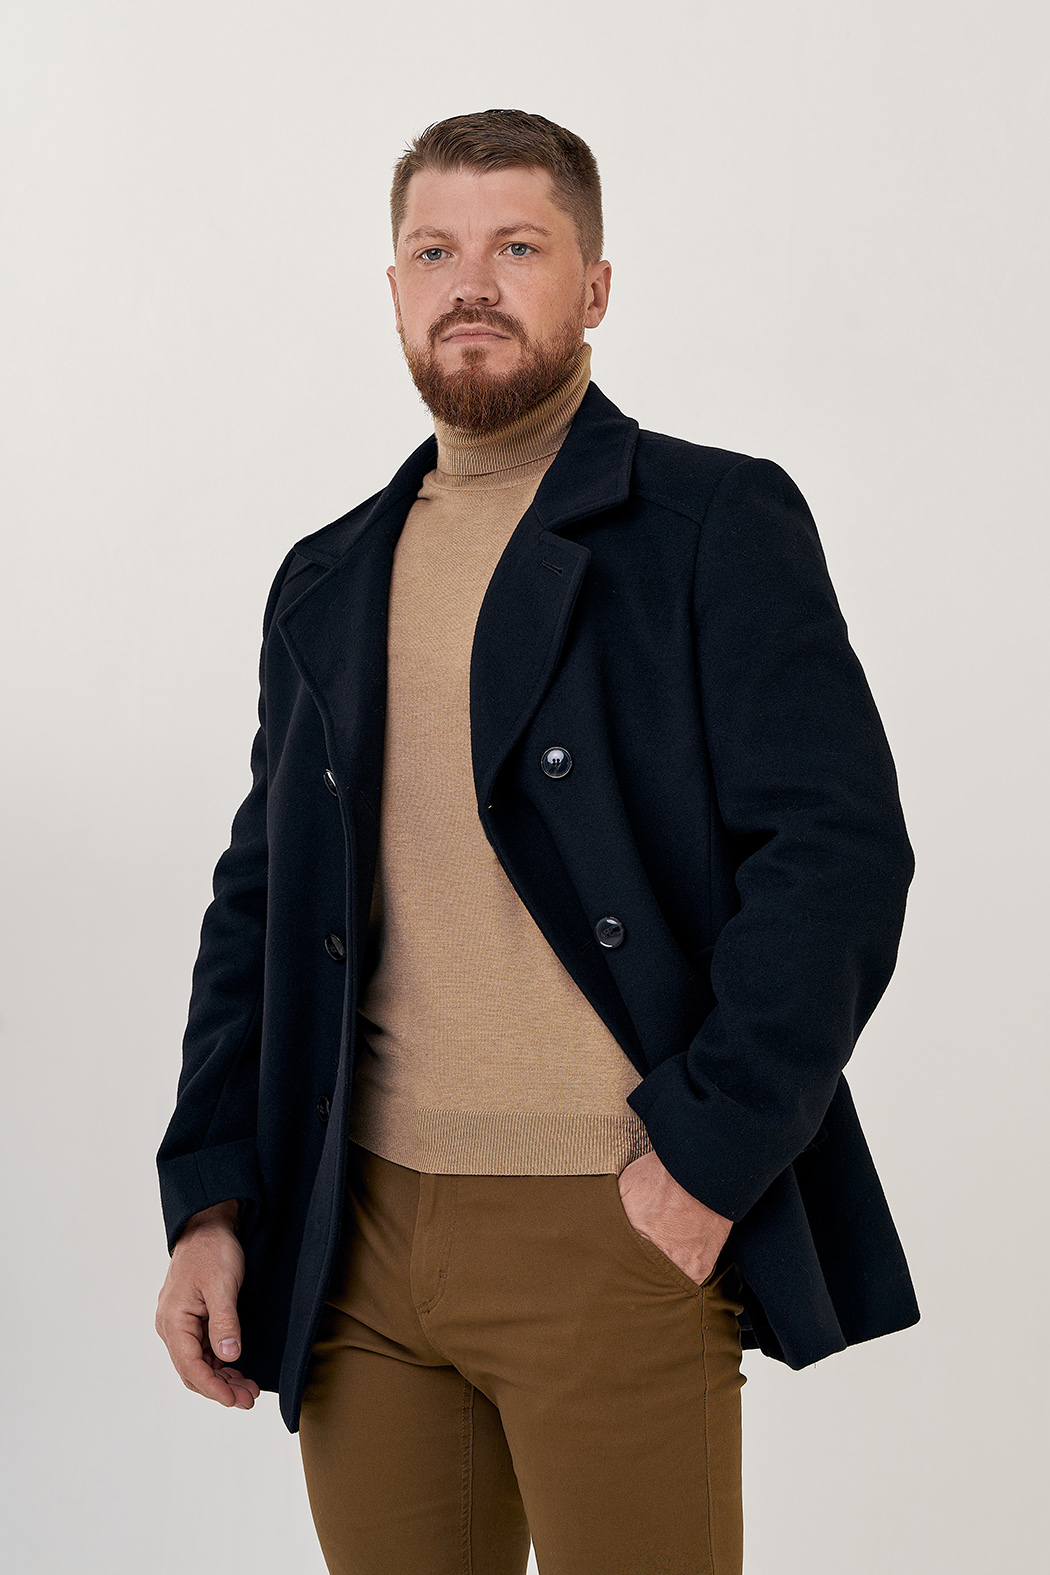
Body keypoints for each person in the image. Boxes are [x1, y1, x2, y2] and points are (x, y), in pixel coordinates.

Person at [155, 109, 918, 1575]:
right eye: (434, 250)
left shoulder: (710, 520)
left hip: (609, 1221)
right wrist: (210, 1194)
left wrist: (704, 1158)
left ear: (594, 287)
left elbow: (834, 858)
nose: (472, 284)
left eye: (518, 247)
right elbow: (259, 904)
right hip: (354, 1239)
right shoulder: (326, 577)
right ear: (393, 289)